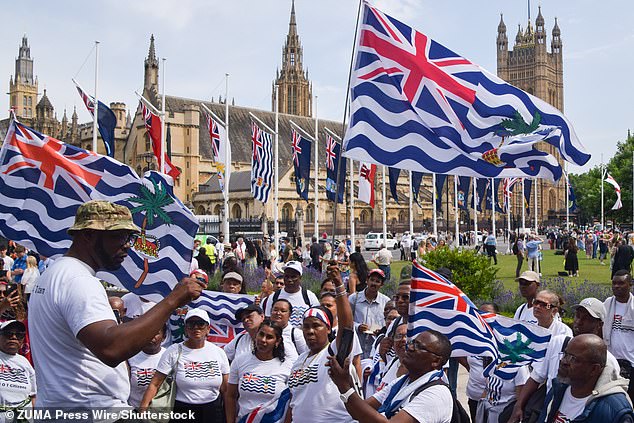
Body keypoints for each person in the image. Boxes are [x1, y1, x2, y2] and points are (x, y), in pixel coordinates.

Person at [28, 200, 205, 408]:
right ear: (88, 235)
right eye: (118, 236)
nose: (127, 245)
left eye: (129, 237)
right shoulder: (78, 280)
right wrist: (173, 300)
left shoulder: (54, 274)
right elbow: (112, 348)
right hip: (90, 410)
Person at [510, 297, 621, 423]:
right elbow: (537, 377)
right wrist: (518, 406)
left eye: (586, 319)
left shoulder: (608, 361)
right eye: (577, 316)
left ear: (599, 324)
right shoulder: (558, 342)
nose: (579, 322)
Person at [328, 329, 454, 423]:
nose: (409, 348)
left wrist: (345, 387)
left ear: (436, 361)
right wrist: (346, 382)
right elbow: (360, 411)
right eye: (412, 343)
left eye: (418, 346)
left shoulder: (436, 393)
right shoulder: (401, 383)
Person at [285, 265, 357, 423]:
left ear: (328, 328)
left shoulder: (333, 353)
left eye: (316, 326)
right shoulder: (298, 361)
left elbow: (346, 329)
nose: (310, 331)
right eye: (306, 326)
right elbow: (294, 402)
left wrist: (339, 285)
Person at [140, 309, 229, 421]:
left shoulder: (218, 352)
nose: (196, 328)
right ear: (186, 329)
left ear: (208, 329)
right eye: (191, 324)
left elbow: (226, 390)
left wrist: (229, 417)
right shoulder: (173, 351)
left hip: (212, 411)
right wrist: (142, 412)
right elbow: (155, 384)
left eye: (201, 324)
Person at [539, 334, 634, 422]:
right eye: (565, 354)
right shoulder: (558, 389)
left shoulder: (615, 410)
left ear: (594, 369)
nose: (563, 361)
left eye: (573, 358)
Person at [225, 319, 293, 422]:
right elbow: (230, 395)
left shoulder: (288, 366)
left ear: (277, 342)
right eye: (261, 334)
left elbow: (292, 402)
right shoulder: (240, 361)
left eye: (269, 337)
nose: (263, 340)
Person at [603, 270, 634, 403]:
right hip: (610, 361)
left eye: (621, 283)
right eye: (614, 283)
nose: (616, 286)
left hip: (631, 363)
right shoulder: (607, 304)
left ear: (630, 284)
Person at [348, 269, 390, 359]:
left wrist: (380, 331)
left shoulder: (386, 301)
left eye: (377, 281)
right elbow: (346, 320)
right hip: (356, 348)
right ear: (367, 280)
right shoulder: (354, 299)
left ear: (381, 284)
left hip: (374, 351)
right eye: (372, 280)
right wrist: (358, 327)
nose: (374, 283)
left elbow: (389, 324)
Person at [263, 261, 319, 328]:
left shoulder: (310, 297)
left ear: (300, 278)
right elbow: (268, 319)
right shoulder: (274, 297)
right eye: (287, 276)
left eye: (293, 277)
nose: (289, 280)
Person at [0, 320, 36, 419]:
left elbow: (33, 395)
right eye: (8, 334)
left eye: (19, 335)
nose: (14, 337)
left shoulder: (25, 363)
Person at [127, 325, 166, 409]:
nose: (151, 337)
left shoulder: (168, 356)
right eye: (147, 333)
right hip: (134, 411)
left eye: (156, 333)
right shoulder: (130, 357)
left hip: (161, 413)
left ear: (164, 337)